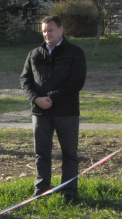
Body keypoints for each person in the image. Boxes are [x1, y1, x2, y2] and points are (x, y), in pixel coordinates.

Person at [21, 15, 87, 203]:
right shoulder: (34, 54)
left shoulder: (75, 52)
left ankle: (69, 192)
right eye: (44, 31)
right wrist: (35, 99)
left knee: (69, 154)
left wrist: (52, 97)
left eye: (50, 30)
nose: (47, 34)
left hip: (67, 112)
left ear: (61, 30)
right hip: (40, 112)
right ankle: (41, 190)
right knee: (41, 153)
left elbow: (77, 81)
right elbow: (25, 80)